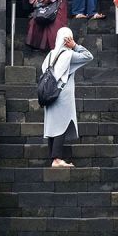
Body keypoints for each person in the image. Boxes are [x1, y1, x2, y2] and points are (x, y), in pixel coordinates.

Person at [41, 27, 93, 168]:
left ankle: (53, 158)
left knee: (53, 125)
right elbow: (89, 56)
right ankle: (57, 159)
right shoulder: (69, 55)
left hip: (49, 94)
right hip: (62, 94)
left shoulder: (51, 55)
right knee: (61, 125)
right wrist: (75, 46)